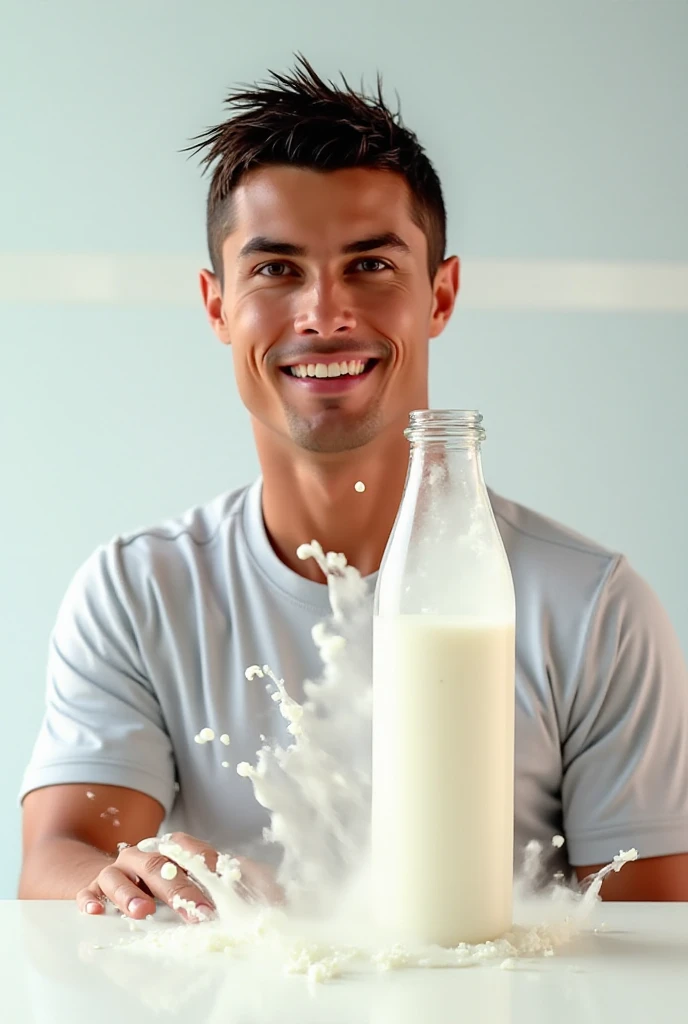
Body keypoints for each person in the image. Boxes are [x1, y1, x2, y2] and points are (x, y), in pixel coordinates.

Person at [19, 59, 688, 920]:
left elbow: (657, 947)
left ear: (439, 293)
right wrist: (113, 883)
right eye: (275, 270)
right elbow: (58, 856)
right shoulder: (139, 594)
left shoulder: (591, 610)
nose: (325, 312)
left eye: (370, 264)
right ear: (216, 305)